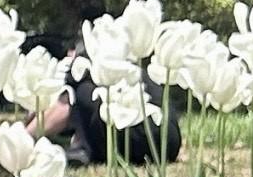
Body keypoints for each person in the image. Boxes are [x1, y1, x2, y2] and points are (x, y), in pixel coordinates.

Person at [27, 25, 182, 167]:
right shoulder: (131, 68)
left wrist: (24, 137)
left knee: (77, 92)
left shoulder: (82, 67)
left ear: (71, 53)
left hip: (140, 140)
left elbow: (61, 108)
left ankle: (85, 149)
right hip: (170, 144)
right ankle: (84, 145)